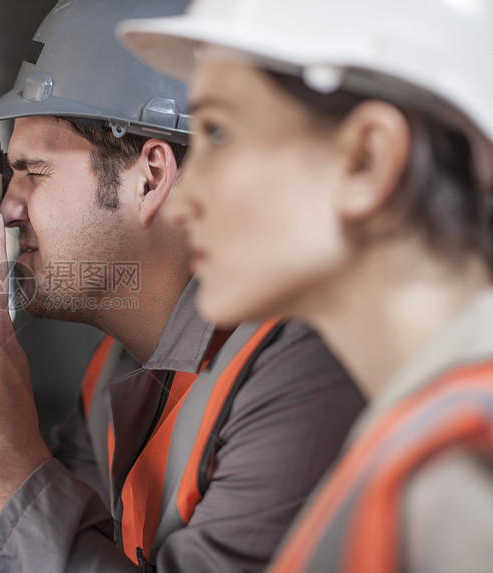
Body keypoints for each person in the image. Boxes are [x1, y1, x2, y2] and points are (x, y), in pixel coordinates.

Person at [0, 1, 364, 571]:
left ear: (149, 178)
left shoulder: (300, 372)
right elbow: (9, 535)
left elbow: (20, 503)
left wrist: (1, 445)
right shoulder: (117, 370)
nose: (7, 207)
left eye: (33, 171)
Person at [118, 0, 493, 571]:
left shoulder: (460, 479)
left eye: (218, 133)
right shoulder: (418, 432)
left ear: (366, 159)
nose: (179, 204)